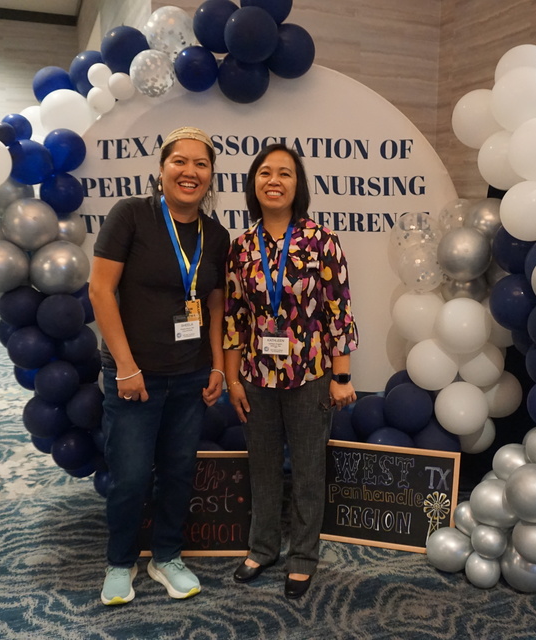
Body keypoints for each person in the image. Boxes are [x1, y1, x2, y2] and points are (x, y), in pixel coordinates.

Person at [88, 126, 230, 606]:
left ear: (211, 175)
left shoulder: (216, 235)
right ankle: (120, 562)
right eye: (180, 161)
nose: (190, 172)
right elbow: (100, 290)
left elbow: (215, 304)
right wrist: (125, 367)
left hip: (191, 376)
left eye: (201, 164)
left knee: (178, 472)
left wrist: (217, 367)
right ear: (162, 168)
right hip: (136, 377)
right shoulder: (131, 215)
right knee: (129, 477)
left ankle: (166, 556)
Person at [223, 143, 359, 600]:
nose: (274, 180)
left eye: (285, 173)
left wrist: (341, 376)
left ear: (297, 185)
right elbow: (235, 317)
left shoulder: (322, 240)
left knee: (307, 470)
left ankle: (302, 555)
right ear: (253, 184)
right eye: (265, 172)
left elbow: (339, 310)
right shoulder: (242, 246)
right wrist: (233, 379)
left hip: (310, 374)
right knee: (262, 468)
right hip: (256, 376)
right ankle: (262, 548)